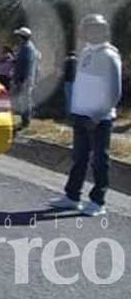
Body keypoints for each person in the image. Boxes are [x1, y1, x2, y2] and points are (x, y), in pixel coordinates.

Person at [49, 14, 122, 218]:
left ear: (103, 31)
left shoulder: (109, 55)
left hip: (99, 119)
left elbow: (115, 91)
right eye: (87, 28)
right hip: (81, 115)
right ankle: (72, 197)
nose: (88, 32)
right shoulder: (87, 52)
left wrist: (98, 115)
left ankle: (98, 201)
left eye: (93, 29)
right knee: (78, 158)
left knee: (99, 160)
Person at [11, 26, 39, 130]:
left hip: (24, 79)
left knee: (25, 100)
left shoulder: (27, 48)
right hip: (24, 78)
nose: (17, 38)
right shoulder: (26, 47)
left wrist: (20, 80)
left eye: (18, 36)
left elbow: (25, 66)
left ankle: (25, 121)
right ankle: (24, 120)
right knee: (23, 100)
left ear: (22, 37)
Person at [62, 51, 78, 116]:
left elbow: (63, 72)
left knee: (68, 99)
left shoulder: (66, 61)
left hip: (67, 82)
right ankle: (74, 114)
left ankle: (68, 114)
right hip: (75, 82)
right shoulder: (77, 62)